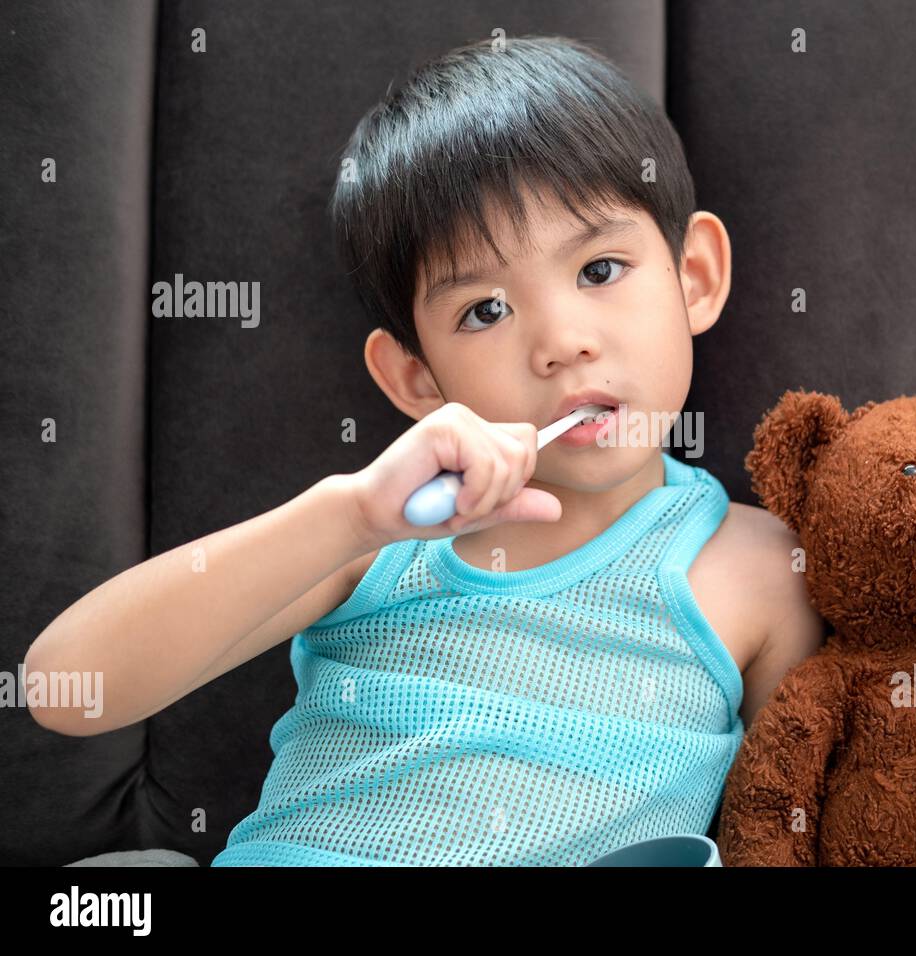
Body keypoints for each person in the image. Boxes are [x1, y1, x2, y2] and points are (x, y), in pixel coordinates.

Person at [27, 34, 826, 866]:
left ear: (694, 276)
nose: (561, 343)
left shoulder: (768, 570)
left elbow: (789, 822)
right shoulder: (379, 536)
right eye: (484, 311)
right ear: (415, 378)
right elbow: (59, 689)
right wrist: (351, 517)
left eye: (600, 269)